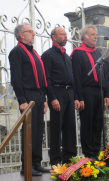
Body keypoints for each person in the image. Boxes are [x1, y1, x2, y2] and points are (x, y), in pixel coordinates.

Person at [8, 23, 49, 176]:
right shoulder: (17, 52)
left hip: (38, 95)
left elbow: (40, 76)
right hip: (28, 96)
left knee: (38, 131)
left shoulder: (34, 52)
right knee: (29, 132)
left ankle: (36, 163)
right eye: (30, 31)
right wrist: (22, 100)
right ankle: (27, 166)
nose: (34, 34)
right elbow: (16, 78)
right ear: (21, 35)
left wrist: (44, 98)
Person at [70, 24, 109, 160]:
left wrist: (105, 93)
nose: (95, 37)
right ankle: (88, 153)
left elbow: (103, 74)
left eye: (96, 34)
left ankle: (96, 151)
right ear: (84, 36)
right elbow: (76, 77)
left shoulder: (97, 52)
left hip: (98, 90)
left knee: (98, 121)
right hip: (86, 91)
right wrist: (79, 97)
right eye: (92, 34)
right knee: (87, 122)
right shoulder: (78, 53)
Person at [41, 27, 79, 166]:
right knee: (57, 127)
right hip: (57, 93)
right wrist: (52, 98)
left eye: (66, 34)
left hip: (69, 93)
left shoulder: (67, 56)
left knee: (70, 126)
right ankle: (55, 160)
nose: (65, 36)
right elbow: (47, 79)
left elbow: (72, 78)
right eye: (62, 34)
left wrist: (75, 97)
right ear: (54, 37)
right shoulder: (48, 55)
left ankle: (69, 157)